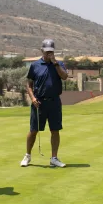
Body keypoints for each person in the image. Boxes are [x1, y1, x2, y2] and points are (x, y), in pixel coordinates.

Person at [21, 39, 68, 168]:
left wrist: (56, 64)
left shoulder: (59, 64)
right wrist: (32, 98)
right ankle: (28, 155)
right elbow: (29, 84)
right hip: (39, 103)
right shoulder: (35, 65)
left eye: (51, 52)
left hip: (54, 102)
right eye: (47, 51)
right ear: (42, 51)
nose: (49, 54)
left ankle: (54, 158)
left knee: (55, 130)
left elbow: (64, 77)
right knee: (33, 130)